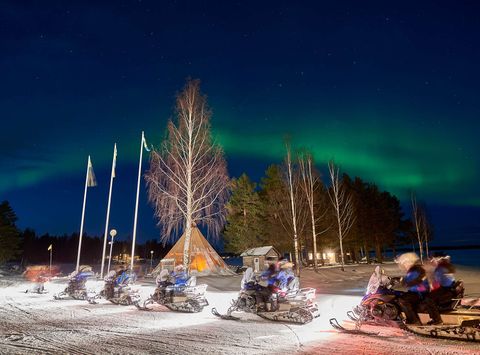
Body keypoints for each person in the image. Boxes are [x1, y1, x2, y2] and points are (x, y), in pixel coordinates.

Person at [396, 252, 442, 325]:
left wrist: (408, 282)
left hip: (420, 293)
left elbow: (418, 279)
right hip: (415, 292)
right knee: (400, 296)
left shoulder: (417, 269)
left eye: (407, 262)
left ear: (411, 262)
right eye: (404, 263)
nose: (405, 265)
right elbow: (408, 280)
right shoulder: (412, 270)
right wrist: (399, 280)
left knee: (402, 300)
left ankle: (414, 320)